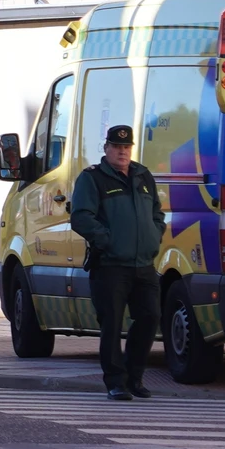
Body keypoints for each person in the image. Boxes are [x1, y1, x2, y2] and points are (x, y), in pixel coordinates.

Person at [68, 123, 164, 401]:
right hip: (110, 265)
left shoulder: (143, 175)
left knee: (150, 317)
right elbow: (81, 216)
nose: (122, 152)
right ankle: (115, 382)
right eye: (117, 147)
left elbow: (157, 213)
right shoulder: (93, 178)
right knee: (111, 323)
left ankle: (135, 377)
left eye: (126, 147)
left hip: (143, 264)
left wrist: (155, 235)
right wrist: (106, 239)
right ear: (106, 148)